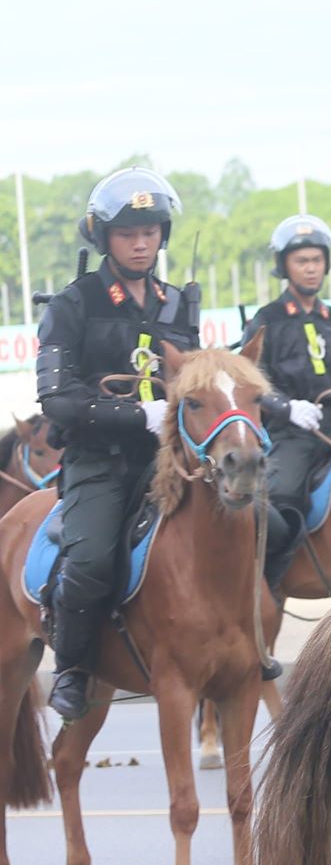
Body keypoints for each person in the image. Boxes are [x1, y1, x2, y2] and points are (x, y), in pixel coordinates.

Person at [35, 169, 201, 720]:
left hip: (168, 461)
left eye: (150, 232)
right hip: (99, 463)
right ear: (103, 237)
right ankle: (72, 669)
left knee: (246, 522)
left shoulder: (177, 304)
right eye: (128, 233)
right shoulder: (73, 303)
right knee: (90, 560)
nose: (140, 243)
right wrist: (137, 414)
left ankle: (242, 640)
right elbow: (57, 399)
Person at [239, 214, 331, 594]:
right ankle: (268, 586)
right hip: (291, 432)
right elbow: (250, 384)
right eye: (302, 261)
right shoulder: (267, 320)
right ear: (284, 267)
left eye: (317, 260)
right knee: (281, 497)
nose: (311, 268)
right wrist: (289, 408)